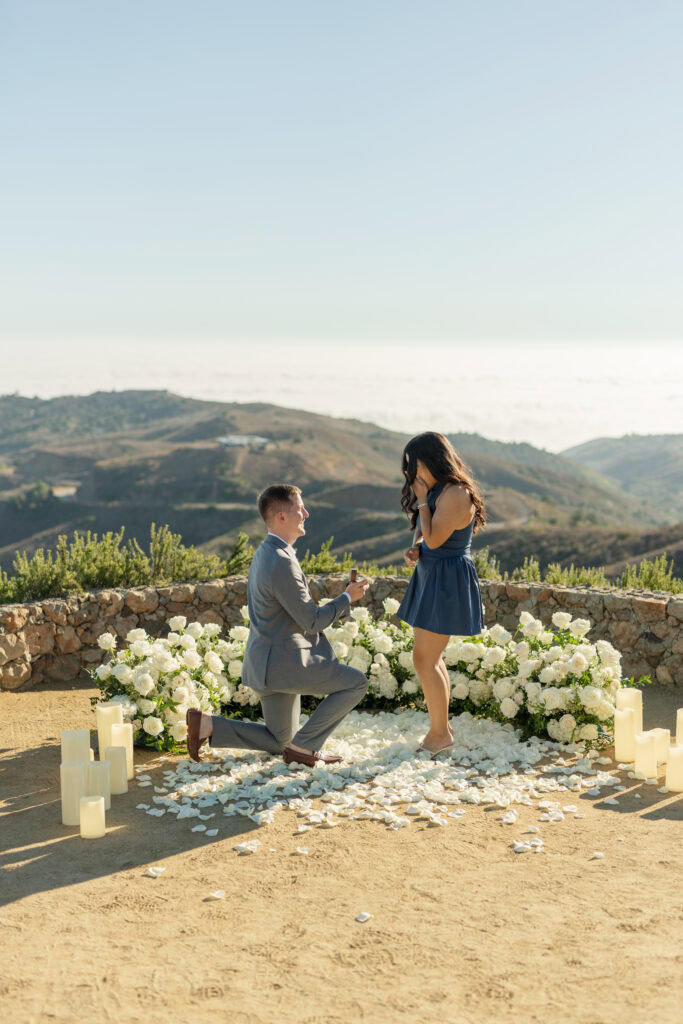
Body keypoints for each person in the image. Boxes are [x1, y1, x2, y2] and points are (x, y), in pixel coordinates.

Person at [186, 484, 370, 766]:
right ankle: (305, 748)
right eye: (300, 508)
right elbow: (312, 620)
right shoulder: (281, 560)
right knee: (356, 683)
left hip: (264, 664)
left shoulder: (265, 553)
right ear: (281, 516)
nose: (306, 514)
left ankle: (208, 726)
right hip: (285, 665)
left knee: (280, 740)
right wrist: (348, 597)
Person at [397, 432, 486, 755]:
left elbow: (436, 540)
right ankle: (442, 728)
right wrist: (415, 549)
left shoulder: (455, 494)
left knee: (424, 659)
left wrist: (422, 501)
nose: (411, 471)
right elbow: (427, 536)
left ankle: (439, 735)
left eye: (413, 463)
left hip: (447, 579)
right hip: (432, 573)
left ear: (432, 459)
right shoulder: (437, 491)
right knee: (429, 658)